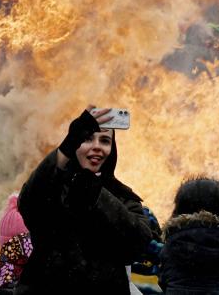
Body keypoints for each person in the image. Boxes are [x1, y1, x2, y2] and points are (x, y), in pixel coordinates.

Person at [16, 107, 152, 295]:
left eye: (105, 141)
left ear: (111, 150)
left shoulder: (122, 196)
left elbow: (139, 244)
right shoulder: (52, 187)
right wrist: (66, 146)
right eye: (87, 138)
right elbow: (30, 203)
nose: (97, 146)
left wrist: (96, 194)